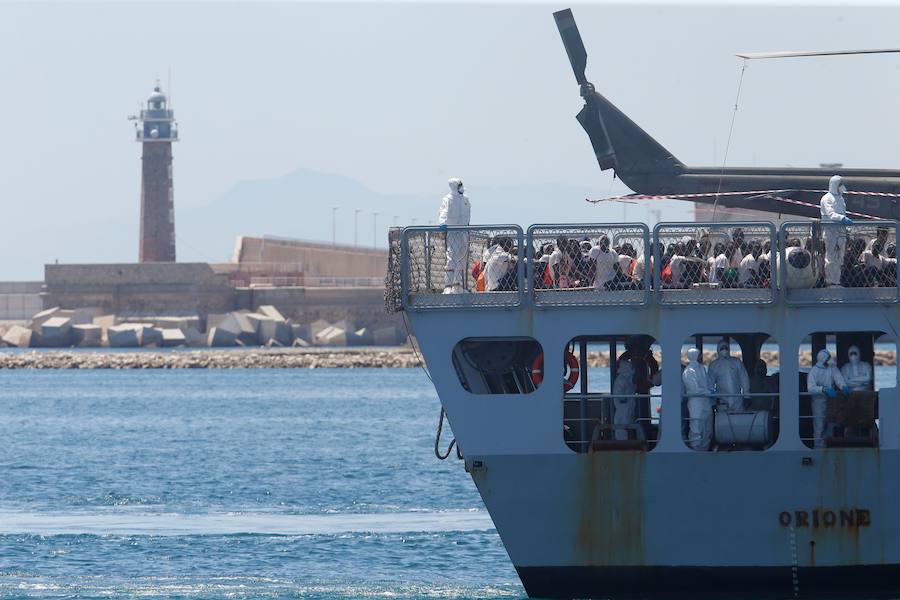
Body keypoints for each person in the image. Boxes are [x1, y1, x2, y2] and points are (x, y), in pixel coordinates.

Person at [807, 349, 850, 448]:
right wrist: (823, 389)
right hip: (818, 402)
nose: (830, 360)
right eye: (828, 358)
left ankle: (830, 444)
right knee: (819, 425)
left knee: (832, 423)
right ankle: (818, 447)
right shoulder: (814, 371)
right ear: (823, 359)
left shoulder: (832, 368)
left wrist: (843, 386)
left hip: (832, 401)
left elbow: (838, 378)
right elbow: (810, 388)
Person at [438, 178, 471, 293]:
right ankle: (448, 285)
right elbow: (443, 212)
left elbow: (467, 214)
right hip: (453, 232)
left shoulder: (465, 199)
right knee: (452, 257)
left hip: (464, 232)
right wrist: (442, 223)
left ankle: (458, 285)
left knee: (462, 257)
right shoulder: (448, 200)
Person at [820, 175, 853, 287]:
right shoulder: (827, 198)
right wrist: (842, 219)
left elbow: (843, 212)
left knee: (839, 259)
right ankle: (830, 281)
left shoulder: (841, 198)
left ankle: (837, 281)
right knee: (831, 258)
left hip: (841, 233)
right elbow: (830, 214)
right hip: (831, 232)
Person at [682, 348, 714, 451]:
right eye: (699, 354)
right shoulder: (688, 371)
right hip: (695, 402)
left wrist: (711, 391)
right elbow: (694, 389)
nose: (701, 356)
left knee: (707, 426)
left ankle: (705, 448)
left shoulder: (702, 368)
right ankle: (695, 448)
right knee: (696, 426)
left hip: (706, 401)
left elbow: (707, 383)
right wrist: (708, 392)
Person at [708, 340, 750, 412]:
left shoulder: (737, 362)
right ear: (718, 350)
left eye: (726, 348)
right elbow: (710, 385)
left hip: (737, 400)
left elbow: (744, 380)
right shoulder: (714, 365)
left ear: (729, 349)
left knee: (738, 420)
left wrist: (747, 396)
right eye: (722, 348)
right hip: (722, 401)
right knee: (723, 421)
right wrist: (713, 401)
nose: (724, 350)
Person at [612, 358, 637, 441]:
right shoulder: (622, 379)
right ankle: (622, 443)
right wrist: (623, 399)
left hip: (628, 407)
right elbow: (618, 393)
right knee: (622, 426)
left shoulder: (627, 378)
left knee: (627, 425)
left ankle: (627, 442)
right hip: (623, 407)